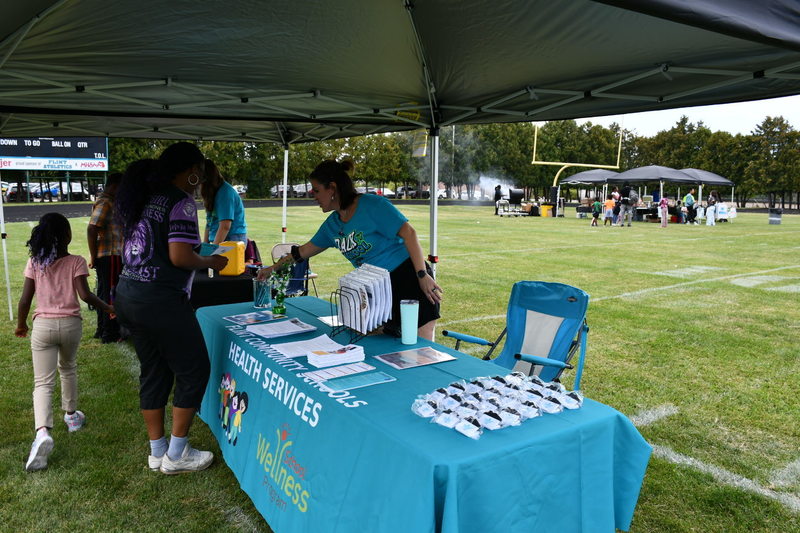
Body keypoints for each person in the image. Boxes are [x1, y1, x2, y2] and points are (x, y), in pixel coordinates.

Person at [114, 143, 228, 475]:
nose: (201, 180)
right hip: (160, 300)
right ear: (191, 170)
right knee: (194, 370)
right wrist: (210, 261)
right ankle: (177, 455)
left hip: (129, 295)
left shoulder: (144, 197)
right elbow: (180, 257)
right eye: (200, 173)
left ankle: (157, 451)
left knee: (154, 371)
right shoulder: (180, 202)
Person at [258, 159, 442, 340]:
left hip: (409, 277)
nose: (313, 196)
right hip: (377, 289)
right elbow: (302, 252)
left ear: (332, 188)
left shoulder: (372, 205)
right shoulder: (332, 225)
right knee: (389, 348)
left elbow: (409, 234)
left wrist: (421, 275)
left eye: (316, 190)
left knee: (420, 348)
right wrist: (271, 269)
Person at [15, 213, 114, 472]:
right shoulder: (76, 262)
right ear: (68, 235)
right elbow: (85, 295)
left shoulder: (35, 262)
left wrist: (21, 324)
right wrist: (108, 307)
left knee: (42, 382)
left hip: (43, 326)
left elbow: (25, 300)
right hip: (71, 325)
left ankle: (42, 432)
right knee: (67, 368)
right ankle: (71, 416)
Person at [87, 172, 124, 343]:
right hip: (111, 255)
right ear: (116, 185)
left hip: (110, 255)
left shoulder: (109, 201)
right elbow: (92, 228)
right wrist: (93, 256)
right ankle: (109, 332)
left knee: (104, 293)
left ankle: (102, 329)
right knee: (110, 293)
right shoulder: (106, 202)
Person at [201, 159, 248, 245]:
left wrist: (212, 251)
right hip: (221, 238)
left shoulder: (225, 193)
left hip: (232, 239)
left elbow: (225, 226)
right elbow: (209, 222)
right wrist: (205, 246)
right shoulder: (213, 193)